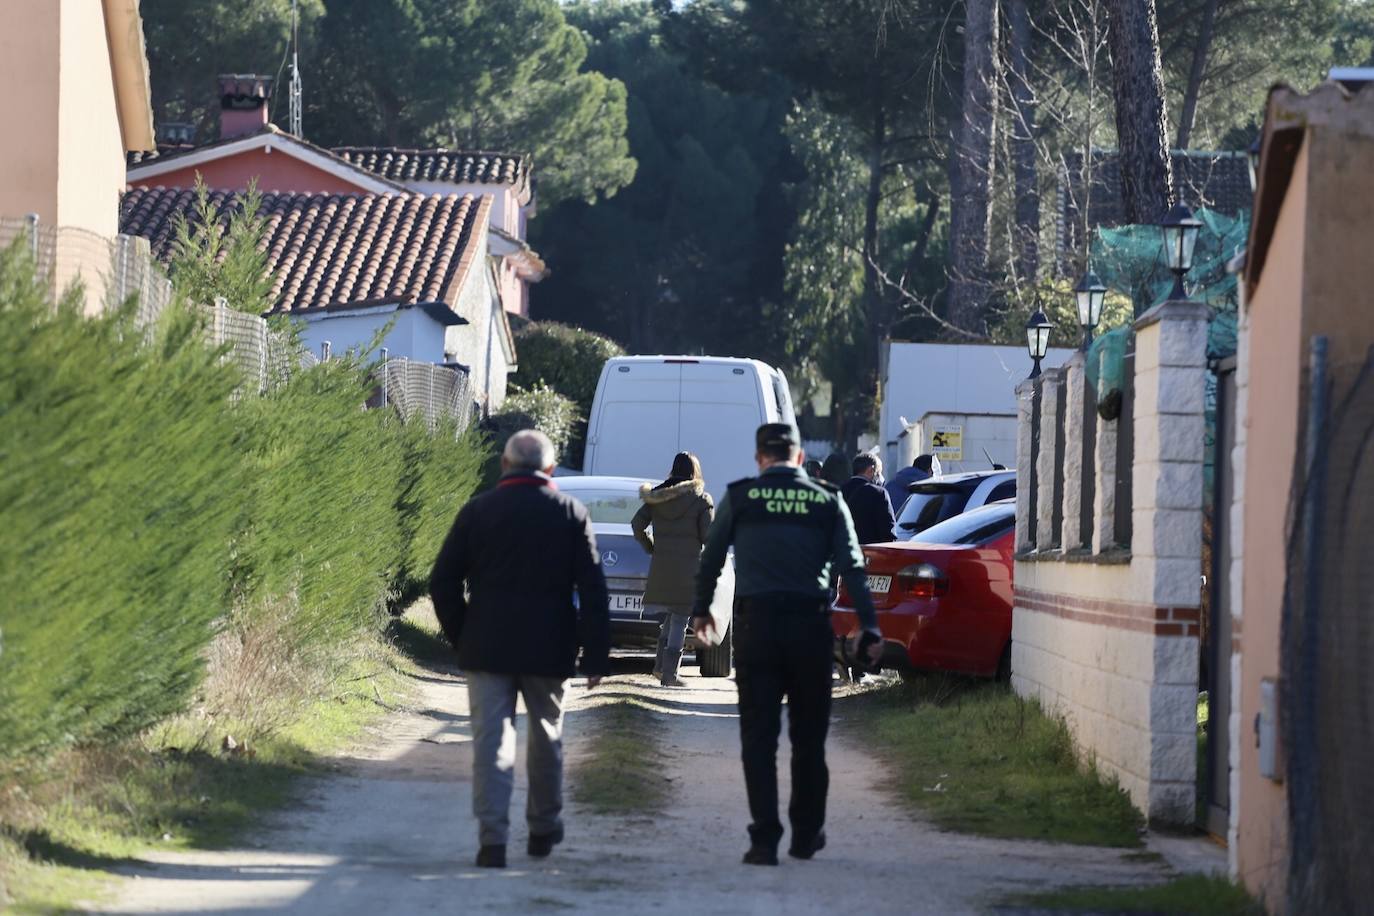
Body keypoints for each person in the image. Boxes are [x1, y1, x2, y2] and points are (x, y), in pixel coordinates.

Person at [693, 423, 882, 866]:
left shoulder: (740, 497)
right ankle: (805, 834)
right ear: (799, 458)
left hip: (757, 628)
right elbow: (853, 567)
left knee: (759, 737)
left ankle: (764, 839)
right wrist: (869, 626)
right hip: (810, 630)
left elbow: (712, 558)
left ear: (760, 458)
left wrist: (702, 608)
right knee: (808, 738)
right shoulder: (828, 499)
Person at [429, 430, 611, 870]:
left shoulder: (478, 511)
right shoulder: (571, 512)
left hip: (487, 646)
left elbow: (442, 582)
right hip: (549, 648)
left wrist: (462, 634)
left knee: (492, 743)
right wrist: (596, 653)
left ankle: (492, 841)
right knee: (546, 738)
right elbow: (592, 587)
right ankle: (543, 829)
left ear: (505, 466)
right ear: (550, 470)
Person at [632, 452, 714, 687]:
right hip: (689, 568)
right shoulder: (701, 499)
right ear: (694, 472)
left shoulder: (656, 497)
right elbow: (708, 536)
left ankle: (659, 667)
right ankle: (670, 675)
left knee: (671, 617)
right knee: (680, 617)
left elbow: (637, 525)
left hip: (661, 566)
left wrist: (651, 547)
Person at [841, 453, 897, 545]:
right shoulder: (879, 493)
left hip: (844, 552)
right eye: (879, 472)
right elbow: (888, 531)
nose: (880, 477)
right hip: (872, 553)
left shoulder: (839, 491)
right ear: (871, 470)